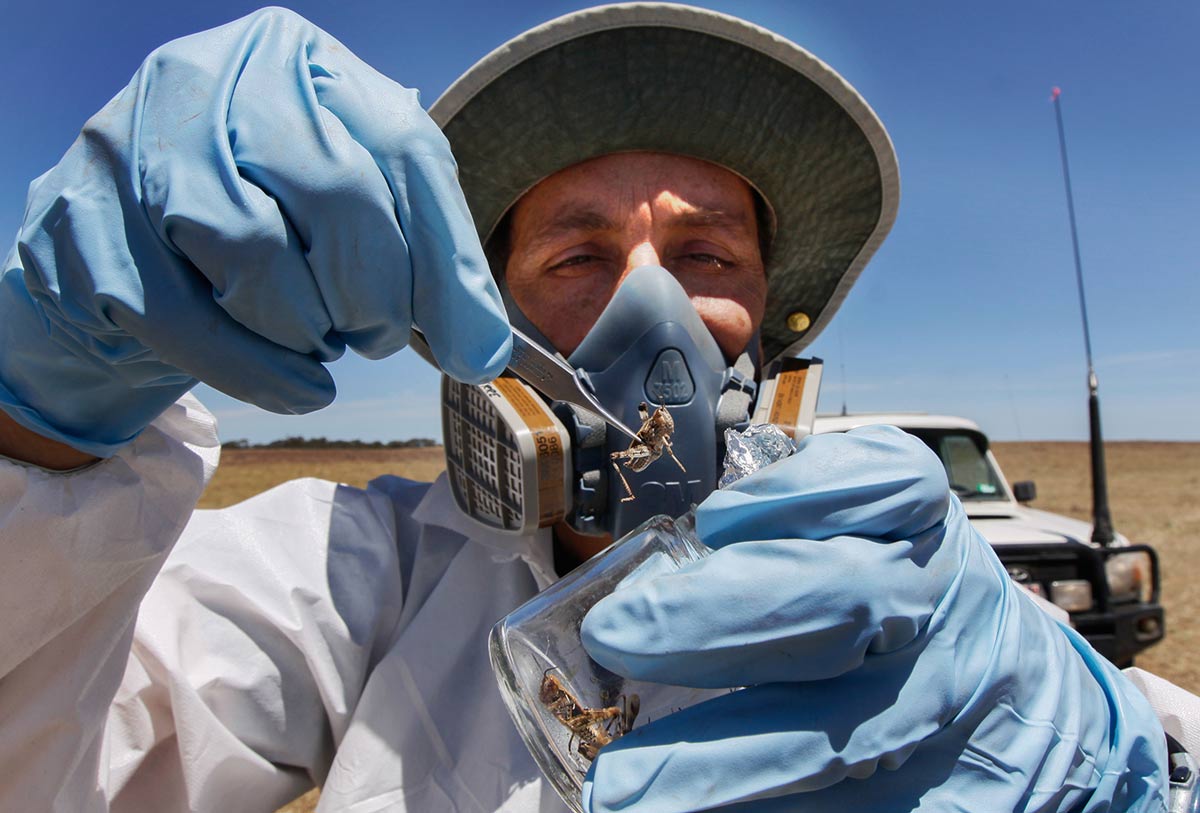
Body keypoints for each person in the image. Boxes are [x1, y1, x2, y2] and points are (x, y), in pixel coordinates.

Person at [0, 4, 1195, 812]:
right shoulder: (355, 577)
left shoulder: (916, 600)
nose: (652, 303)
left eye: (710, 255)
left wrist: (1105, 762)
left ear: (780, 325)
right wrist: (37, 425)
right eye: (576, 256)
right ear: (482, 318)